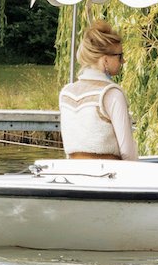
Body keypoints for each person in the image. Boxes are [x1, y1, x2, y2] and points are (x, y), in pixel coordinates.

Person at [58, 19, 139, 160]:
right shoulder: (112, 94)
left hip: (73, 172)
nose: (123, 61)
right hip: (108, 175)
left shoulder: (66, 93)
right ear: (105, 60)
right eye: (120, 56)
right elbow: (127, 152)